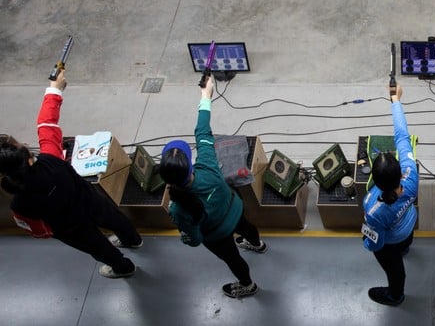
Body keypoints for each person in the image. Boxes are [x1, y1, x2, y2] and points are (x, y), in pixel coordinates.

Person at [0, 70, 142, 278]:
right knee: (115, 219)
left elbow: (39, 232)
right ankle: (133, 240)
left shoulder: (19, 205)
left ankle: (124, 268)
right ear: (28, 157)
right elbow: (46, 124)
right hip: (90, 202)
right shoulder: (51, 159)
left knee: (99, 248)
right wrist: (54, 88)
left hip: (72, 229)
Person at [158, 75, 266, 299]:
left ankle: (247, 285)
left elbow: (194, 239)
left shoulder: (178, 208)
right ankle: (257, 244)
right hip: (235, 209)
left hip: (218, 235)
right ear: (190, 163)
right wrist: (206, 95)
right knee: (247, 227)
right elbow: (203, 131)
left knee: (233, 259)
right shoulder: (207, 163)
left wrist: (185, 236)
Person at [362, 82, 418, 306]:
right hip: (409, 224)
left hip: (391, 242)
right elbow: (402, 137)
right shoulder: (411, 175)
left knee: (395, 271)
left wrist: (368, 245)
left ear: (374, 181)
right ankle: (406, 248)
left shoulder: (372, 206)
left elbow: (374, 242)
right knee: (404, 245)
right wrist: (396, 101)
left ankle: (395, 295)